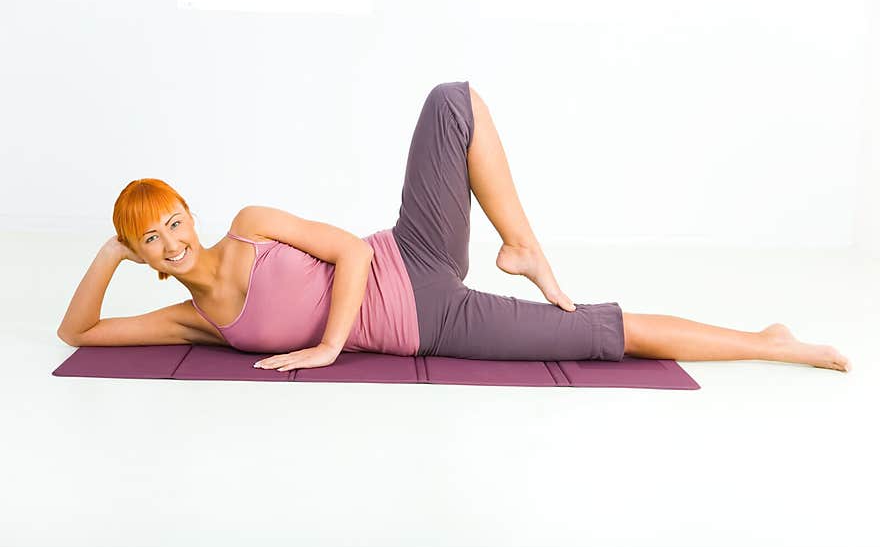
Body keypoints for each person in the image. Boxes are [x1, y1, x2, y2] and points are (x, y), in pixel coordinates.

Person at [57, 81, 850, 374]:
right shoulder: (192, 320)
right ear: (146, 258)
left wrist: (330, 346)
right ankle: (771, 340)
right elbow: (79, 333)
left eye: (171, 219)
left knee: (452, 101)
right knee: (606, 333)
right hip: (434, 321)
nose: (173, 238)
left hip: (408, 250)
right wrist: (106, 250)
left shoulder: (248, 226)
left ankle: (522, 243)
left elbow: (345, 255)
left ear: (189, 211)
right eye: (152, 239)